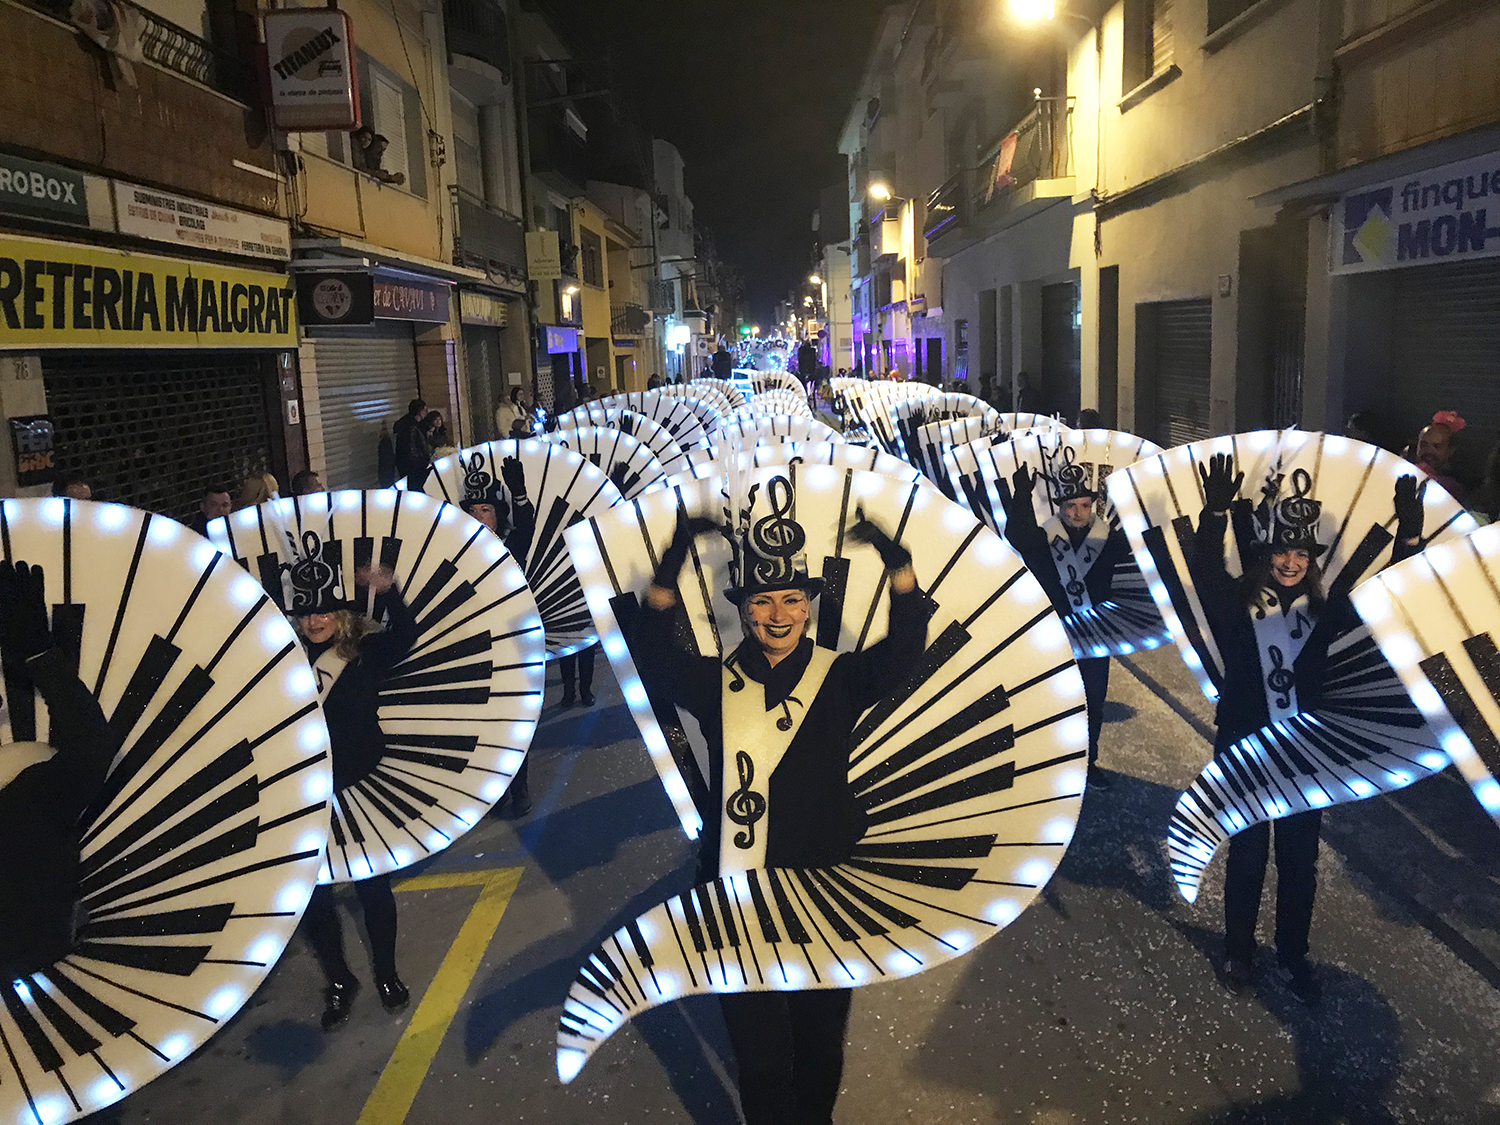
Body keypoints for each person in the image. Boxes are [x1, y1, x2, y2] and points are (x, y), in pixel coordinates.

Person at [634, 496, 930, 1125]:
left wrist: (897, 565)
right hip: (737, 896)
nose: (778, 615)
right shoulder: (714, 681)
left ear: (808, 608)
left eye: (793, 600)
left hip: (826, 889)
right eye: (762, 602)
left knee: (820, 1047)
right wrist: (674, 561)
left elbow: (904, 651)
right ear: (741, 611)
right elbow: (653, 658)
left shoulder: (839, 677)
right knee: (762, 1058)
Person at [1193, 453, 1425, 1003]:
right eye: (1282, 551)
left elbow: (1390, 597)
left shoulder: (1327, 613)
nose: (1292, 561)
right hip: (1247, 752)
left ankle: (1293, 956)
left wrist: (1409, 540)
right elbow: (1205, 573)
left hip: (1303, 759)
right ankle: (1239, 953)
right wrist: (1215, 514)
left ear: (1312, 561)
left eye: (1301, 553)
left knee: (1300, 863)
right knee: (1248, 855)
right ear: (1267, 555)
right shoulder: (1240, 603)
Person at [293, 561, 417, 1029]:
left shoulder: (363, 652)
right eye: (305, 613)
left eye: (322, 610)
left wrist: (388, 592)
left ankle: (386, 973)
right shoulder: (282, 656)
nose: (313, 620)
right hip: (304, 791)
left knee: (373, 888)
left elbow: (405, 636)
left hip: (362, 784)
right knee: (315, 897)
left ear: (340, 613)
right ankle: (340, 981)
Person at [0, 560, 119, 983]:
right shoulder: (25, 801)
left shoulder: (25, 799)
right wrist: (41, 657)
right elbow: (90, 747)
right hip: (42, 965)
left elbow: (89, 749)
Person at [1000, 462, 1132, 789]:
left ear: (1093, 506)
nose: (1077, 512)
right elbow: (1016, 534)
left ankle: (1087, 763)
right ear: (1060, 506)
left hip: (1094, 636)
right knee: (1053, 702)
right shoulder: (1045, 536)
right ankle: (1052, 761)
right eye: (1070, 506)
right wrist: (1021, 495)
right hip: (1055, 636)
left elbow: (1137, 559)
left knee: (1093, 704)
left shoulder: (1109, 539)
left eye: (1085, 505)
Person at [460, 455, 536, 817]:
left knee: (514, 719)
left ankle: (519, 787)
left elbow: (527, 529)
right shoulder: (456, 553)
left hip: (513, 645)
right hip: (476, 649)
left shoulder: (510, 544)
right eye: (473, 510)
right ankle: (495, 789)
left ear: (498, 513)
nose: (479, 518)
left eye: (486, 509)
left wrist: (520, 494)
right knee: (486, 726)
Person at [1410, 412, 1466, 501]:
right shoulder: (1404, 473)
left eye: (1437, 446)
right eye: (1424, 445)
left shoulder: (1453, 489)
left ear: (1450, 451)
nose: (1429, 451)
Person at [392, 399, 428, 483]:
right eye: (425, 410)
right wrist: (422, 462)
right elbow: (411, 449)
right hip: (413, 468)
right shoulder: (412, 427)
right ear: (419, 411)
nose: (426, 413)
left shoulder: (408, 424)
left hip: (406, 465)